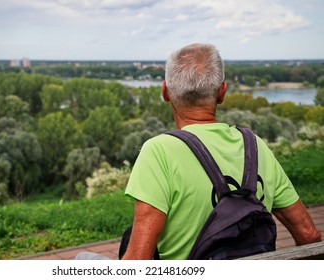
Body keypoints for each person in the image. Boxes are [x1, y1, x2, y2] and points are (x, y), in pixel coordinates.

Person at [121, 43, 321, 260]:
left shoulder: (159, 151)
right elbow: (308, 235)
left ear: (165, 91)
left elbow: (136, 262)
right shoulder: (255, 146)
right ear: (222, 92)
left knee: (88, 258)